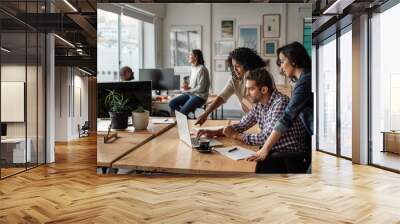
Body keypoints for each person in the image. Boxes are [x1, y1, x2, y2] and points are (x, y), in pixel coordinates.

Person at [198, 68, 306, 172]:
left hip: (284, 157)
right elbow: (242, 125)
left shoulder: (280, 103)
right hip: (271, 152)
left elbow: (265, 138)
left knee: (236, 167)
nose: (247, 93)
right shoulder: (259, 104)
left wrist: (235, 136)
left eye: (251, 89)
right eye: (247, 89)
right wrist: (216, 132)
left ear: (264, 90)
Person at [247, 41, 313, 163]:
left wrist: (265, 149)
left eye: (282, 62)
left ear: (293, 60)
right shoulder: (304, 80)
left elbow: (286, 118)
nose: (281, 67)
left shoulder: (306, 81)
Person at [195, 47, 266, 125]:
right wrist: (206, 113)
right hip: (251, 118)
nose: (234, 70)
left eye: (238, 66)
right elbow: (222, 96)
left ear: (247, 65)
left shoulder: (262, 77)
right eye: (233, 66)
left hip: (264, 118)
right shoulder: (234, 80)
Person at [169, 49, 210, 116]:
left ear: (196, 56)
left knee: (181, 113)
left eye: (190, 55)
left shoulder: (202, 69)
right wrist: (187, 87)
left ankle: (183, 116)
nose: (188, 57)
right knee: (172, 103)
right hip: (191, 94)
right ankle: (187, 118)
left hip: (199, 97)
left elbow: (201, 88)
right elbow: (192, 85)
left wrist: (189, 90)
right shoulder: (192, 68)